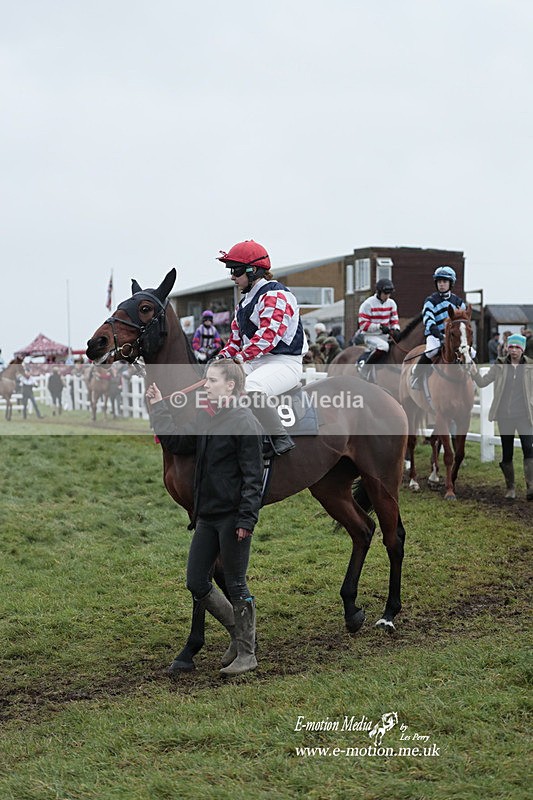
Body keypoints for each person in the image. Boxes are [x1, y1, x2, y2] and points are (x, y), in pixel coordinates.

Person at [146, 360, 264, 676]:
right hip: (207, 517)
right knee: (197, 581)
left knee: (236, 584)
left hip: (232, 519)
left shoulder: (245, 423)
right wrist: (159, 408)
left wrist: (245, 521)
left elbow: (254, 478)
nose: (205, 385)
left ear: (231, 386)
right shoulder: (207, 415)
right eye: (206, 380)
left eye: (211, 380)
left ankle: (248, 654)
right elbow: (178, 443)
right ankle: (239, 635)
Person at [216, 239, 308, 456]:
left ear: (253, 270)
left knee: (252, 388)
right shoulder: (244, 303)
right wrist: (219, 360)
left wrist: (239, 358)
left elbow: (268, 336)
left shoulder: (275, 295)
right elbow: (235, 342)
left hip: (284, 363)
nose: (232, 277)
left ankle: (279, 439)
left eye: (236, 271)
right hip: (255, 361)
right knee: (218, 383)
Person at [470, 333, 533, 501]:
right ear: (507, 347)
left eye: (517, 347)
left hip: (524, 416)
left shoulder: (530, 367)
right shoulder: (498, 365)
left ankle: (531, 487)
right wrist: (475, 373)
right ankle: (510, 488)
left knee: (529, 449)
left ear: (522, 349)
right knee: (507, 453)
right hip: (505, 416)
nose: (513, 350)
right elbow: (483, 382)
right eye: (511, 347)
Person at [411, 266, 473, 389]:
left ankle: (472, 379)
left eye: (444, 282)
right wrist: (440, 336)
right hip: (434, 335)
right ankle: (416, 376)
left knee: (472, 353)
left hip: (454, 336)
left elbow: (464, 322)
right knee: (431, 351)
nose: (441, 284)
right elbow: (428, 320)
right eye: (439, 282)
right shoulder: (430, 301)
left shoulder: (458, 302)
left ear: (451, 283)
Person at [357, 278, 401, 364]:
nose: (387, 296)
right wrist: (379, 327)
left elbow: (394, 321)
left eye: (389, 293)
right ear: (379, 292)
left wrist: (396, 329)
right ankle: (366, 367)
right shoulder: (368, 304)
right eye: (385, 293)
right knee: (384, 347)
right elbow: (363, 325)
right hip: (371, 336)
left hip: (385, 336)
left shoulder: (392, 303)